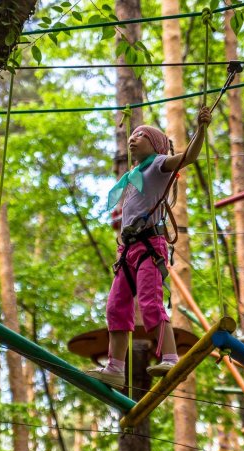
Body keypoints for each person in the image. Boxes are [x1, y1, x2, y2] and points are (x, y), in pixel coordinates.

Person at [85, 107, 212, 389]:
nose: (132, 139)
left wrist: (201, 129)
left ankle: (170, 356)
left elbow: (188, 157)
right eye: (131, 135)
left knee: (150, 301)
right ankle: (115, 367)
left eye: (140, 135)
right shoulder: (132, 176)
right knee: (115, 307)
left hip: (149, 246)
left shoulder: (158, 164)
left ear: (154, 144)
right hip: (127, 250)